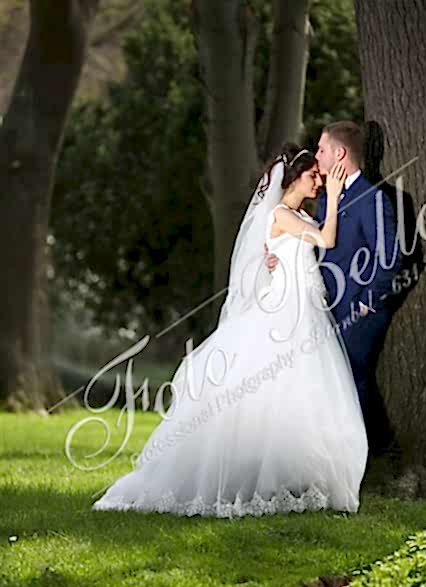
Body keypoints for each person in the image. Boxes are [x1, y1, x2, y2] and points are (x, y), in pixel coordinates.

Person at [92, 144, 368, 519]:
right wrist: (334, 197)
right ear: (292, 179)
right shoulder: (281, 214)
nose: (318, 183)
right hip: (286, 311)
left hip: (305, 310)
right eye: (312, 176)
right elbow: (326, 240)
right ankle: (258, 476)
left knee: (304, 392)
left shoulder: (298, 216)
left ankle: (296, 474)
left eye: (320, 178)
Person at [267, 122, 402, 452]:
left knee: (350, 378)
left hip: (359, 307)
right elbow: (318, 245)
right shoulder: (327, 195)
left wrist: (367, 301)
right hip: (323, 306)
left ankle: (369, 454)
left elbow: (389, 259)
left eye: (322, 149)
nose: (317, 156)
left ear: (339, 153)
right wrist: (281, 257)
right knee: (325, 382)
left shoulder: (373, 198)